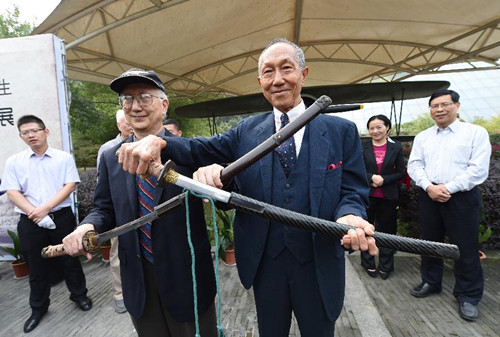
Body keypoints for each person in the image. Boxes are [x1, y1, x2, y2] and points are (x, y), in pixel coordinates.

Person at [114, 38, 377, 337]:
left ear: (303, 74)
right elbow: (197, 149)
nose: (277, 79)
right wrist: (157, 140)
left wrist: (351, 214)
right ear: (260, 81)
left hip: (318, 262)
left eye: (286, 68)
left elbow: (353, 191)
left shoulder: (340, 131)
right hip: (266, 263)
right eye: (268, 72)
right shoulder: (247, 131)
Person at [63, 69, 217, 337]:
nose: (135, 106)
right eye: (127, 99)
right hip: (138, 279)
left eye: (145, 97)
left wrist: (215, 175)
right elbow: (105, 209)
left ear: (164, 104)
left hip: (186, 277)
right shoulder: (112, 157)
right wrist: (86, 227)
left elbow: (222, 193)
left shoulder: (189, 151)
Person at [0, 115, 91, 333]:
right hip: (30, 221)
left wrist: (45, 208)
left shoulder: (63, 157)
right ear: (21, 136)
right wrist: (35, 212)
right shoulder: (14, 161)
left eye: (34, 131)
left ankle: (79, 296)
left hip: (61, 217)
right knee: (36, 265)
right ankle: (38, 308)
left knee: (70, 258)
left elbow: (70, 185)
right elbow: (12, 191)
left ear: (45, 131)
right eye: (25, 132)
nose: (31, 135)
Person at [407, 89, 491, 322]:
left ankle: (468, 295)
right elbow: (414, 166)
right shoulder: (423, 136)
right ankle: (431, 282)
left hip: (461, 198)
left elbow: (478, 169)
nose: (439, 109)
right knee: (430, 243)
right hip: (429, 195)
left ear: (457, 105)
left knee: (465, 247)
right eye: (434, 106)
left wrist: (448, 188)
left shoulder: (475, 133)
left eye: (445, 104)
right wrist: (429, 187)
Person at [96, 109, 133, 314]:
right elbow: (103, 184)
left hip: (144, 210)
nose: (129, 124)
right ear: (118, 125)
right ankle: (119, 293)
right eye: (124, 122)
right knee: (117, 254)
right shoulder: (108, 150)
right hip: (120, 212)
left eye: (130, 121)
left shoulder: (151, 143)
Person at [360, 115, 406, 279]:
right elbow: (356, 169)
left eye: (379, 127)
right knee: (366, 229)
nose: (375, 131)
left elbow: (401, 172)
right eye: (371, 128)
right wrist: (371, 177)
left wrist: (384, 179)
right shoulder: (362, 147)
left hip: (388, 196)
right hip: (367, 195)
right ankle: (368, 262)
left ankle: (386, 265)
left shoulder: (396, 147)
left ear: (387, 127)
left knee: (387, 232)